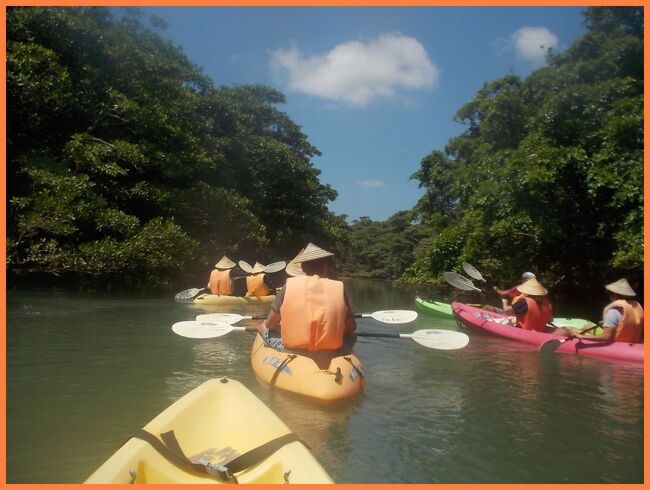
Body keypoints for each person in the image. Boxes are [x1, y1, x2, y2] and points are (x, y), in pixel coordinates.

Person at [255, 243, 356, 352]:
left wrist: (283, 329)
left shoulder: (289, 285)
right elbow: (351, 329)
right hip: (330, 348)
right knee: (352, 336)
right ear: (325, 267)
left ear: (302, 268)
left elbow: (270, 324)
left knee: (262, 326)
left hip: (295, 348)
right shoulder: (340, 287)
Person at [553, 278, 644, 343]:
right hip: (630, 340)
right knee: (587, 326)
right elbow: (628, 323)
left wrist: (581, 336)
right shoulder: (636, 307)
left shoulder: (613, 312)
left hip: (614, 342)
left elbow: (606, 337)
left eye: (610, 293)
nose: (609, 296)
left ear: (615, 295)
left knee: (570, 329)